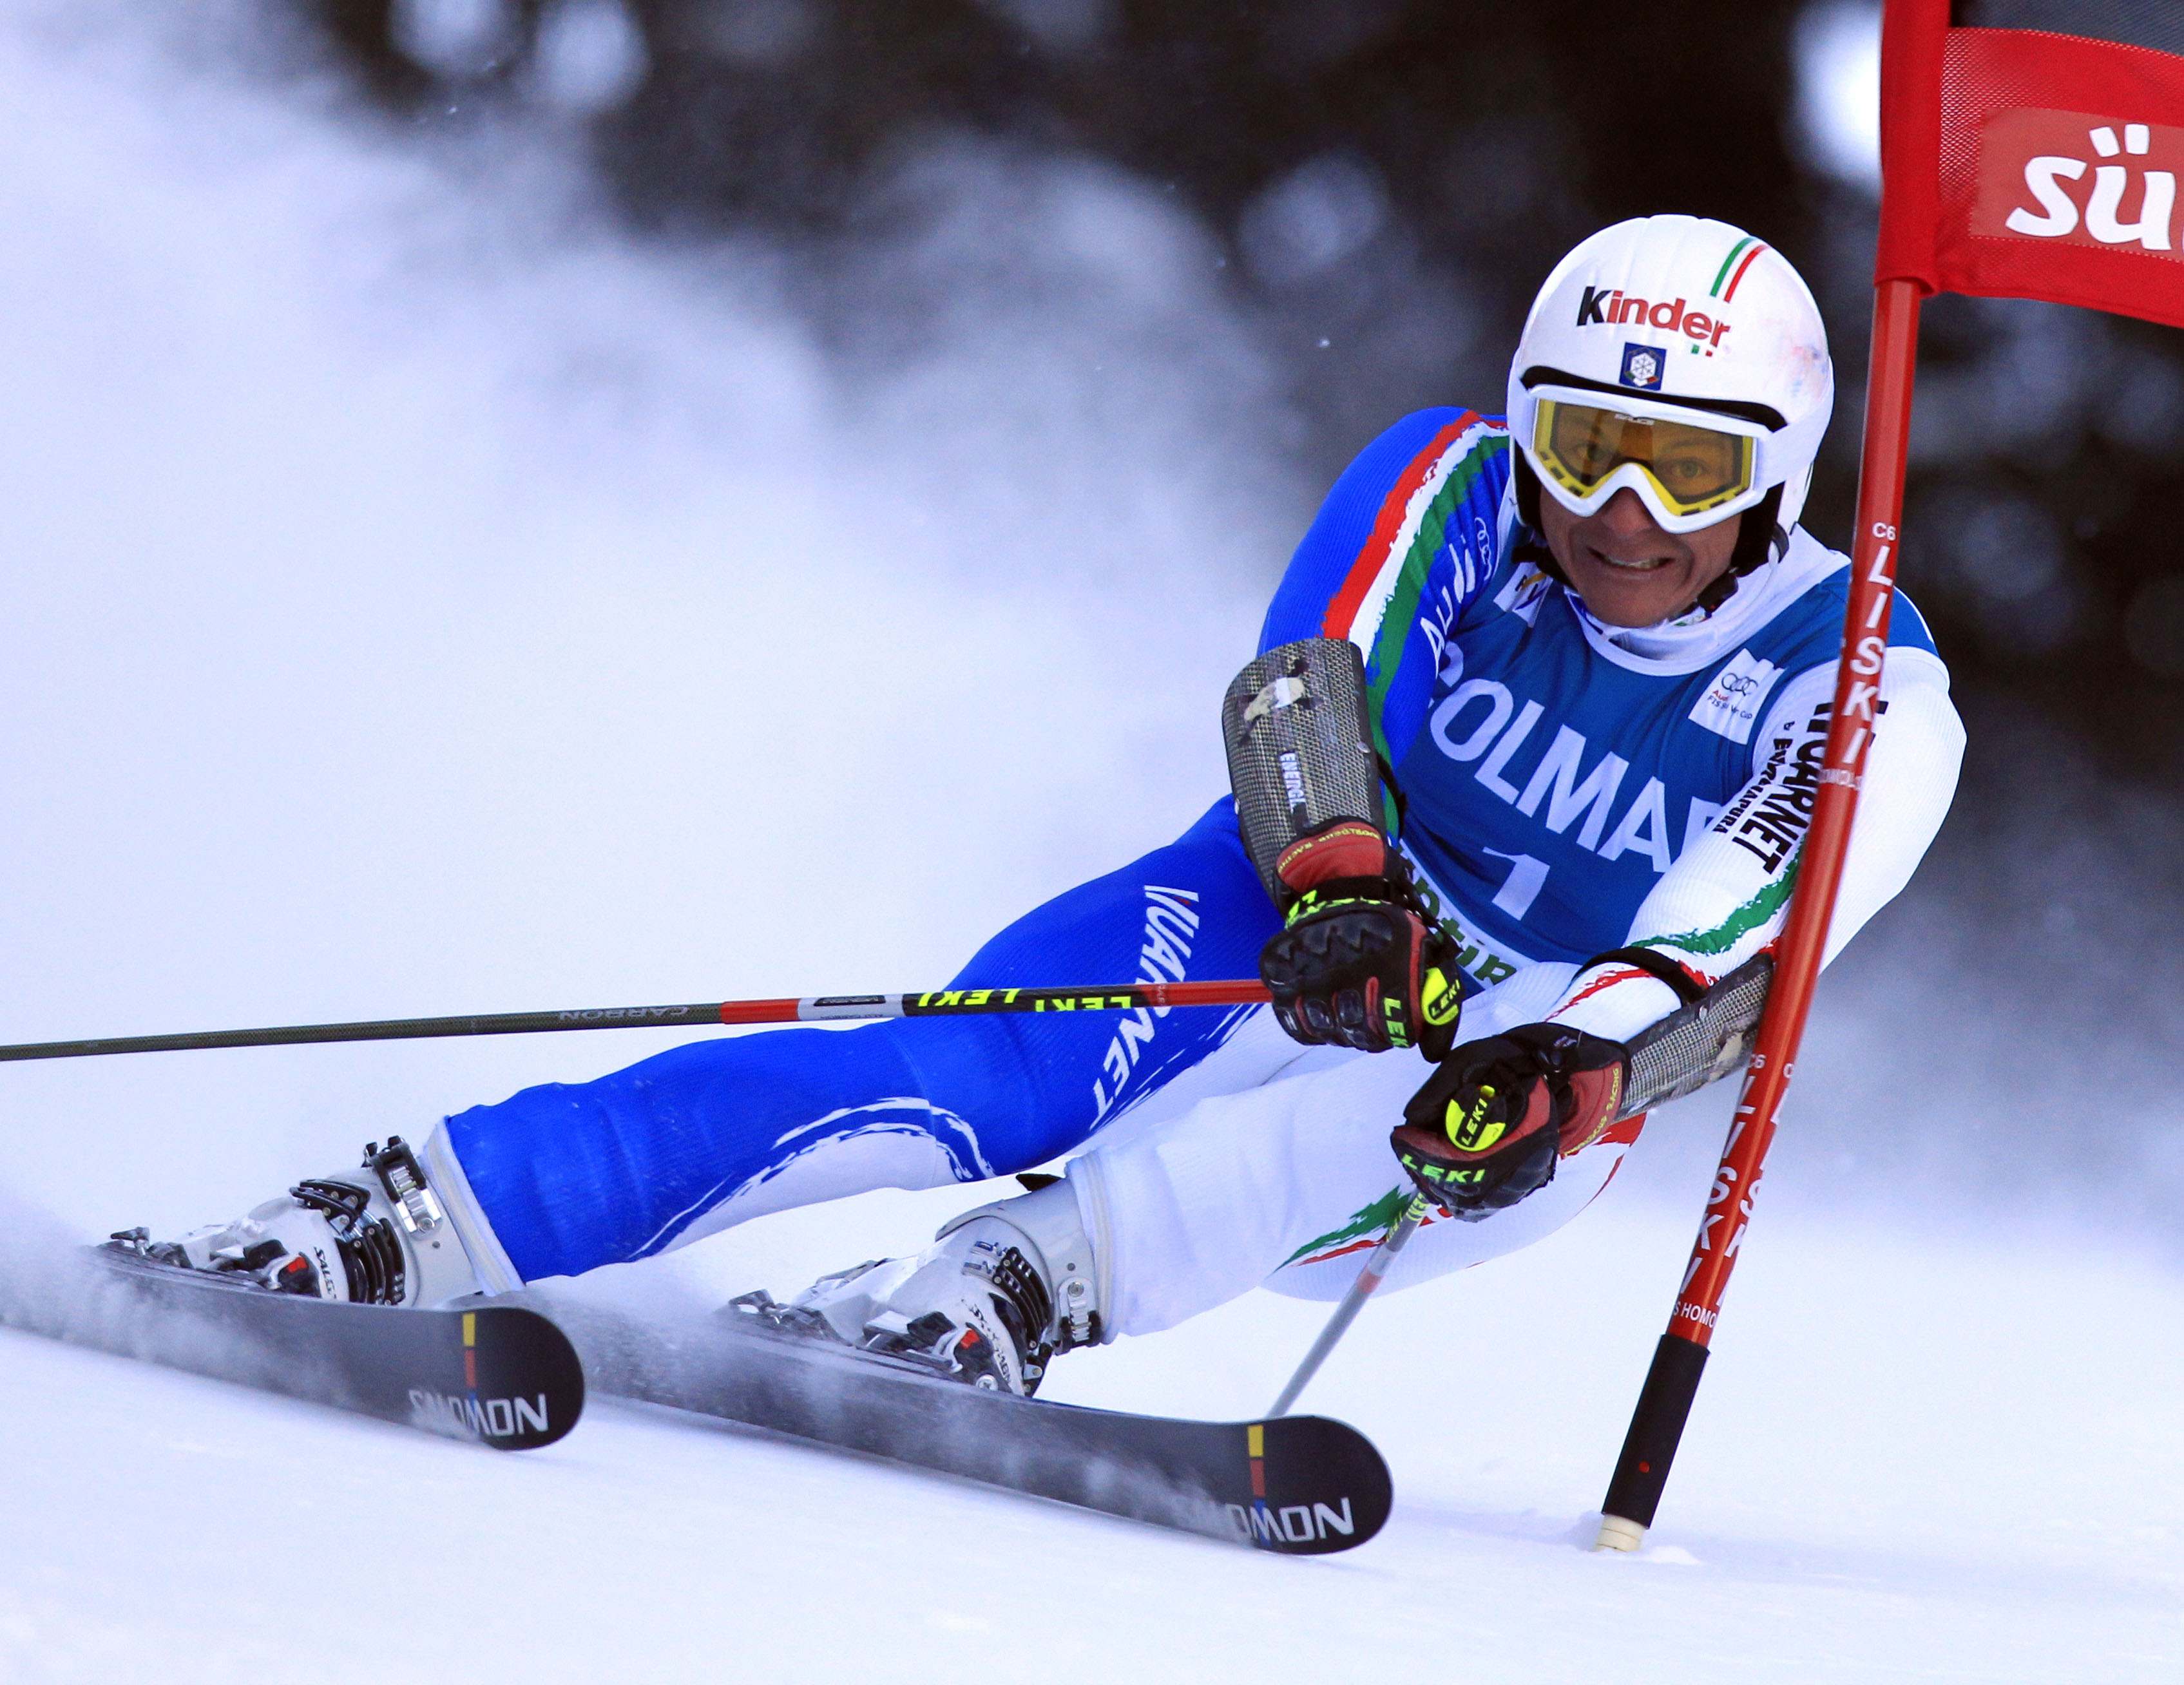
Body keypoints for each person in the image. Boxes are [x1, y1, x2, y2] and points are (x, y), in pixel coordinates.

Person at [142, 215, 1964, 1396]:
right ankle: (419, 1211)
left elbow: (1743, 927)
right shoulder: (1461, 486)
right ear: (1527, 425)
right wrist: (1335, 877)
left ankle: (1010, 1285)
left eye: (1693, 466)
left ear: (1782, 479)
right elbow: (1302, 677)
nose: (1626, 509)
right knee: (964, 1076)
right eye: (1587, 443)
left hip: (1544, 1037)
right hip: (1315, 903)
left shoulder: (1864, 681)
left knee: (1408, 1135)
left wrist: (1577, 1064)